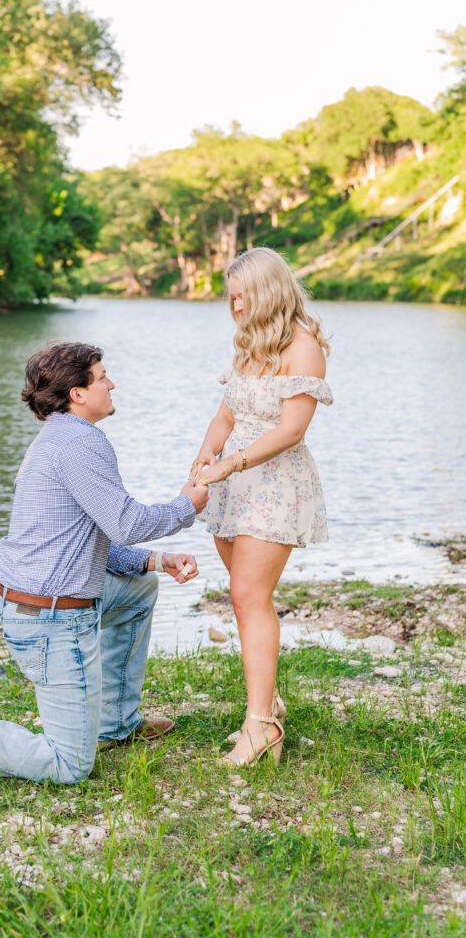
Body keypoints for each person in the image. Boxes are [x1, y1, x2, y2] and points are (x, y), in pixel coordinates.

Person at [0, 342, 208, 784]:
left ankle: (116, 724)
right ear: (78, 393)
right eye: (103, 376)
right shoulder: (79, 444)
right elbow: (127, 522)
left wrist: (156, 560)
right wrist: (187, 505)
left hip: (36, 601)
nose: (112, 383)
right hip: (49, 620)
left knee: (136, 590)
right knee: (69, 766)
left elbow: (86, 539)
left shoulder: (57, 438)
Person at [192, 248, 332, 768]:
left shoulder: (304, 346)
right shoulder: (250, 343)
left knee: (251, 595)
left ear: (267, 288)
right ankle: (265, 700)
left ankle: (262, 727)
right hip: (234, 480)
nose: (233, 302)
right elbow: (226, 414)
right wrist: (206, 453)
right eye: (231, 293)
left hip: (273, 480)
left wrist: (232, 464)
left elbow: (292, 429)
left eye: (240, 291)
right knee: (242, 596)